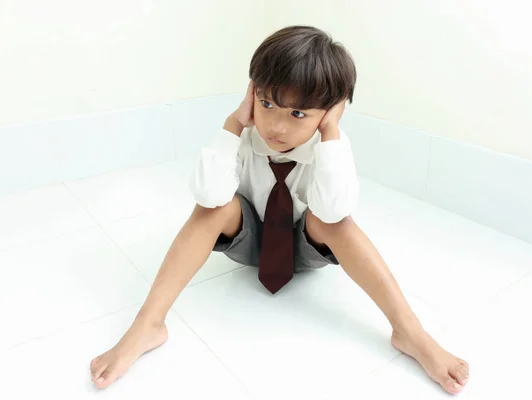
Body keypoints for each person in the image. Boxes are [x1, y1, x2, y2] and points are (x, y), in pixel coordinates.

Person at [90, 25, 469, 395]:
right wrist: (233, 124)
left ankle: (410, 331)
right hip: (250, 240)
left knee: (335, 221)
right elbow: (207, 195)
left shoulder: (331, 147)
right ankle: (150, 323)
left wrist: (332, 133)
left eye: (299, 114)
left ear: (329, 113)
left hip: (307, 247)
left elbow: (336, 210)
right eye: (267, 104)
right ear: (252, 92)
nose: (276, 125)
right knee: (212, 209)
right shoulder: (242, 136)